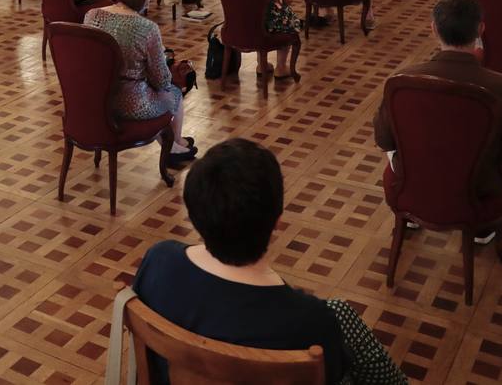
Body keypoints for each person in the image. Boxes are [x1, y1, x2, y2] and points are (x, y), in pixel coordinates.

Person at [133, 139, 407, 385]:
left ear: (193, 216)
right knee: (343, 317)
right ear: (278, 221)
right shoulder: (310, 320)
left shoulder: (159, 261)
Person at [374, 0, 502, 217]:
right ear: (480, 30)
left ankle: (412, 213)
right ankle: (480, 230)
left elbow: (383, 139)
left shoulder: (401, 82)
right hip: (478, 189)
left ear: (434, 29)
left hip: (413, 181)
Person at [84, 0, 196, 168]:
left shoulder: (92, 16)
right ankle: (173, 147)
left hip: (95, 99)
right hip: (130, 104)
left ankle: (176, 143)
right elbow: (162, 81)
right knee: (174, 92)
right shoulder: (146, 28)